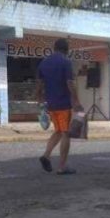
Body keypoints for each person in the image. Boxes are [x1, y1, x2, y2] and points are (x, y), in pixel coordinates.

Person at [35, 38, 81, 175]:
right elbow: (70, 83)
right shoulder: (65, 62)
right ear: (66, 50)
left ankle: (46, 155)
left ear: (54, 48)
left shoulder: (44, 62)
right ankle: (62, 166)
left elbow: (39, 84)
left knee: (58, 131)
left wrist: (39, 99)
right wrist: (76, 101)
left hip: (51, 104)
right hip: (63, 103)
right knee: (66, 133)